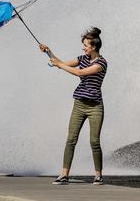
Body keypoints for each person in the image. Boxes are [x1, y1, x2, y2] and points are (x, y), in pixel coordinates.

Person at [39, 27, 107, 186]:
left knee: (94, 141)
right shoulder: (82, 58)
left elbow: (80, 73)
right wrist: (49, 52)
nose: (83, 48)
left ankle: (98, 176)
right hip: (79, 104)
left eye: (85, 45)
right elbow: (61, 63)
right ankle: (64, 175)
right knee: (71, 139)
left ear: (94, 47)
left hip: (95, 106)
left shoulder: (101, 63)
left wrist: (59, 65)